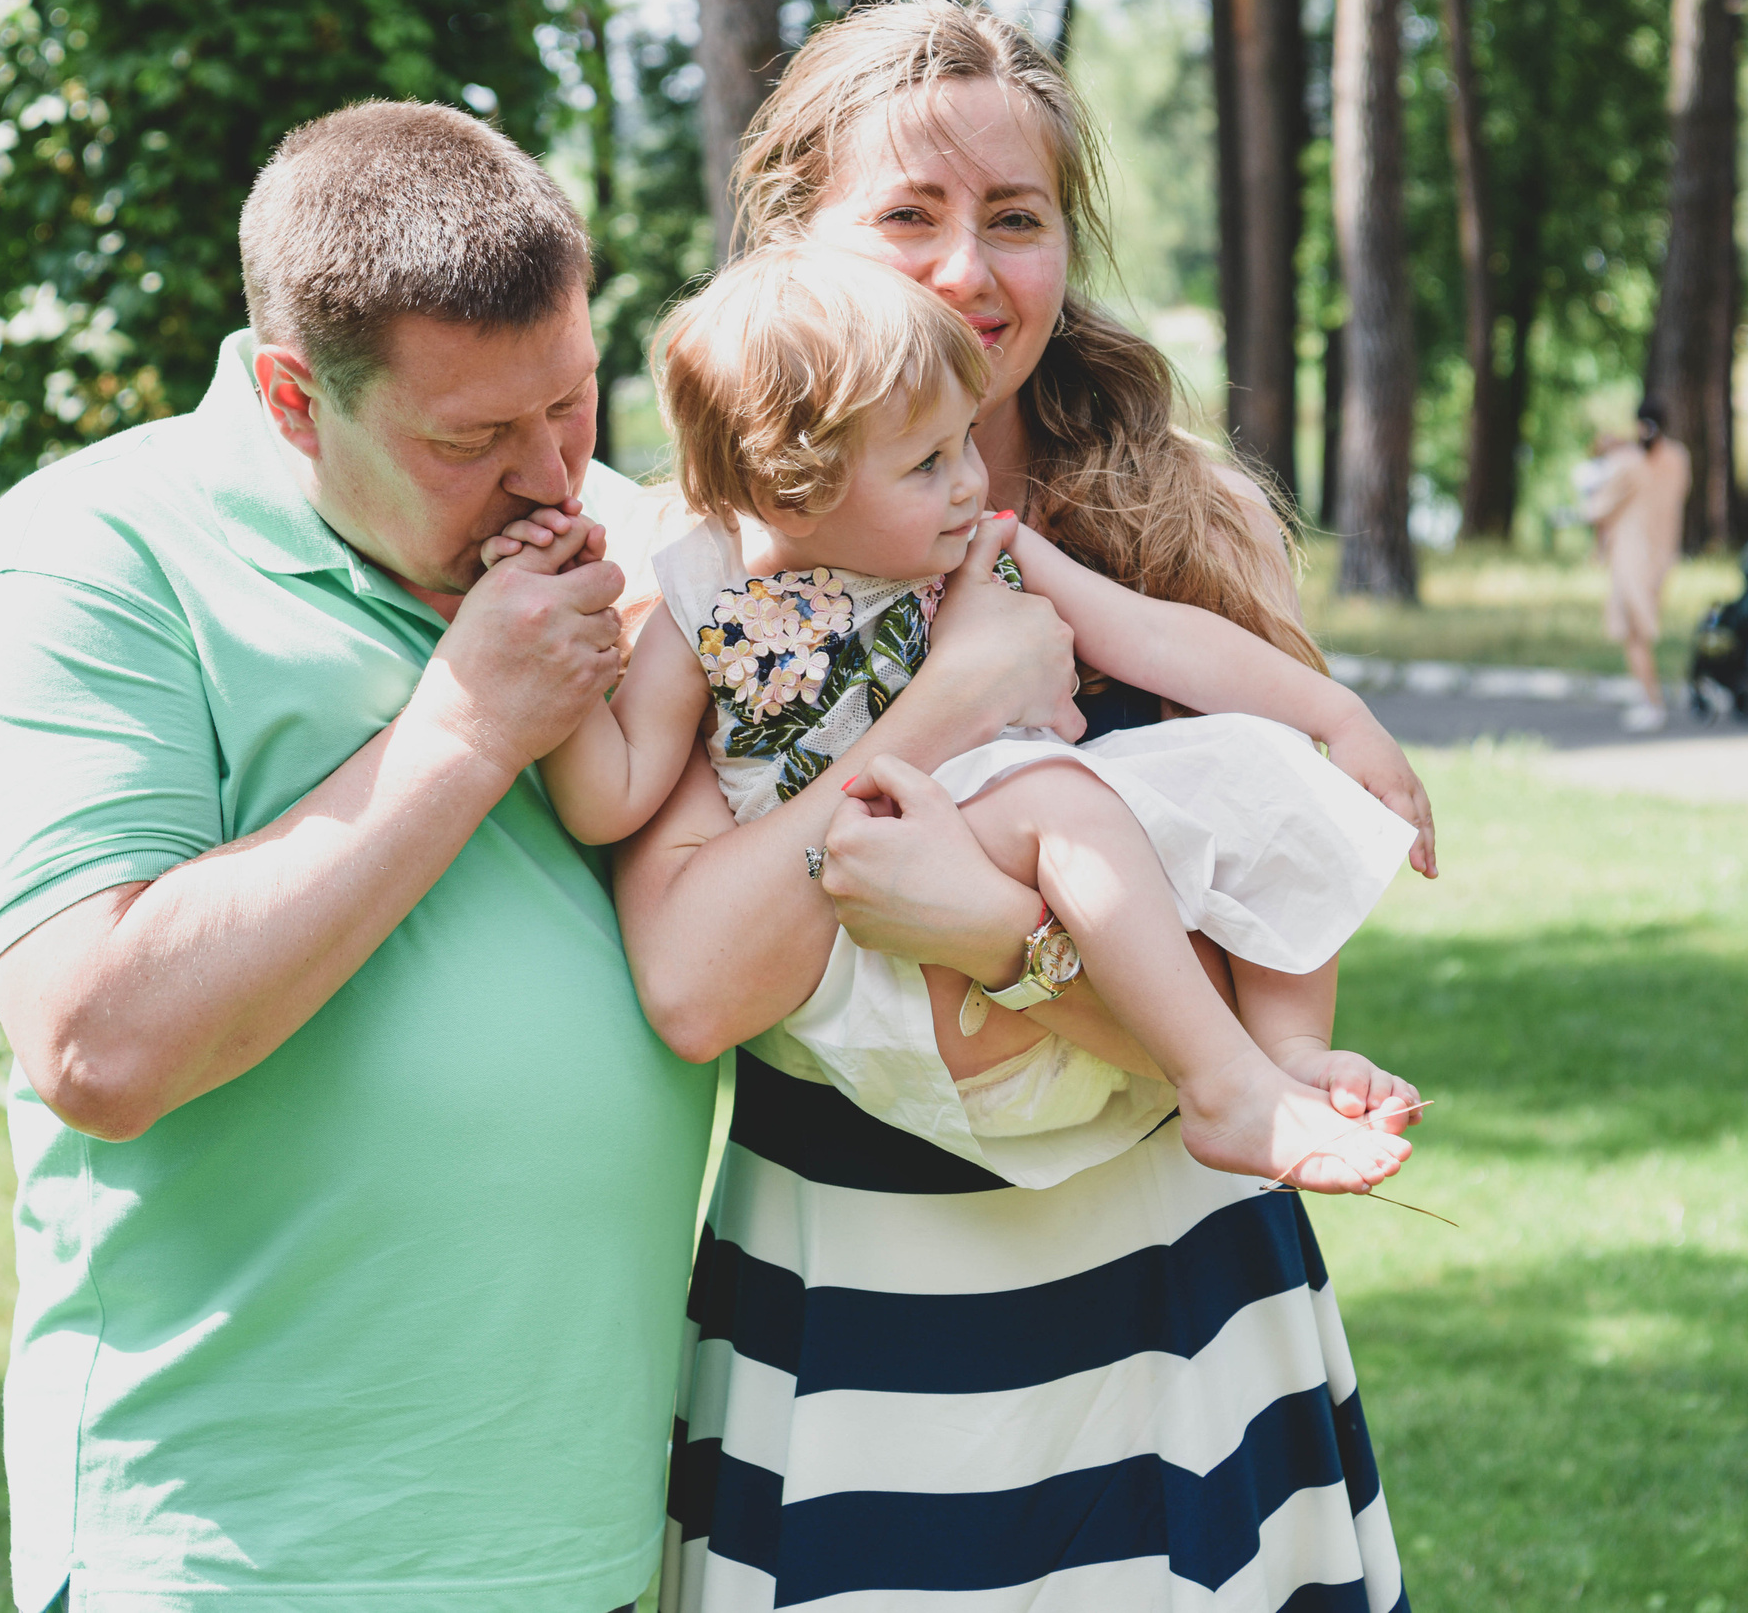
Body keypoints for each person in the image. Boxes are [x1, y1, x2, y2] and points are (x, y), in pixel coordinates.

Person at [602, 0, 1419, 1610]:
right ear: (794, 233)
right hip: (857, 1283)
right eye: (909, 214)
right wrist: (952, 701)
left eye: (1018, 219)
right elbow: (698, 982)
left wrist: (995, 933)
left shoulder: (1177, 523)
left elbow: (1250, 963)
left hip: (1175, 1280)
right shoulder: (702, 552)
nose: (969, 272)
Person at [0, 101, 716, 1613]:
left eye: (569, 403)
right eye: (469, 439)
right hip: (236, 1554)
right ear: (295, 399)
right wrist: (469, 726)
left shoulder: (628, 548)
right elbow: (97, 1038)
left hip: (583, 1546)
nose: (553, 480)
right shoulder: (93, 557)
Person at [495, 243, 1428, 1195]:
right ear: (791, 492)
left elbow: (1154, 637)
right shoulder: (701, 604)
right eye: (928, 462)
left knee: (1254, 759)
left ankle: (1288, 1051)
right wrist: (558, 653)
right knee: (1063, 802)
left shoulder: (982, 548)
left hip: (1000, 861)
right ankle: (1222, 1086)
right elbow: (611, 798)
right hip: (865, 921)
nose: (971, 481)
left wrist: (1336, 713)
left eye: (967, 440)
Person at [1584, 398, 1690, 731]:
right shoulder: (1677, 458)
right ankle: (1649, 699)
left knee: (1634, 632)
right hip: (1663, 555)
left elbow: (1597, 508)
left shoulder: (1627, 462)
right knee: (1640, 629)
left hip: (1631, 555)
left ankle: (1651, 702)